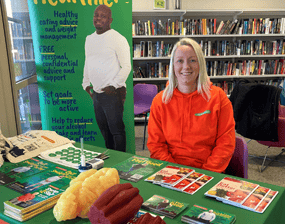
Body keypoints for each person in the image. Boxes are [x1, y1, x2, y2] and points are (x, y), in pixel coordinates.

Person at [147, 38, 235, 173]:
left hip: (208, 171)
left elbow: (225, 144)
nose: (186, 66)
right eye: (180, 61)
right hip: (170, 170)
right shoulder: (160, 101)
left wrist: (206, 173)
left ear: (200, 64)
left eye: (192, 60)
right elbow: (156, 146)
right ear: (173, 66)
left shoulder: (219, 98)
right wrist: (176, 173)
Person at [82, 4, 131, 152]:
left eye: (103, 16)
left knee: (117, 131)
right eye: (96, 15)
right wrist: (85, 83)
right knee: (104, 131)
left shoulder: (118, 39)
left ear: (110, 20)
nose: (98, 18)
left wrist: (114, 85)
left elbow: (127, 66)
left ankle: (121, 160)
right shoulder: (89, 39)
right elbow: (87, 61)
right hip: (96, 94)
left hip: (112, 93)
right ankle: (111, 159)